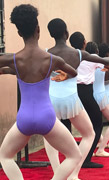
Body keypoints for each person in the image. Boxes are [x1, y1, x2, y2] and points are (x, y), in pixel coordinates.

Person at [0, 4, 81, 180]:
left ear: (19, 33)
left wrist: (5, 70)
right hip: (47, 117)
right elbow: (74, 72)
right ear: (38, 30)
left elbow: (17, 68)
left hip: (24, 118)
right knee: (75, 155)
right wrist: (63, 76)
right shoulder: (52, 60)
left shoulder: (12, 59)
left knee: (5, 156)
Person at [43, 19, 109, 180]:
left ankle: (57, 171)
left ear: (50, 34)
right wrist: (105, 61)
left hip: (51, 100)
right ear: (66, 33)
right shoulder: (79, 54)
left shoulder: (46, 53)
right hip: (71, 100)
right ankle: (73, 174)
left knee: (49, 136)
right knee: (89, 134)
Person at [69, 33, 109, 167]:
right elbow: (108, 63)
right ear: (84, 43)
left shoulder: (70, 56)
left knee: (69, 125)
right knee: (97, 124)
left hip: (72, 92)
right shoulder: (90, 58)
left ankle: (73, 154)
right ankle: (86, 158)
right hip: (86, 92)